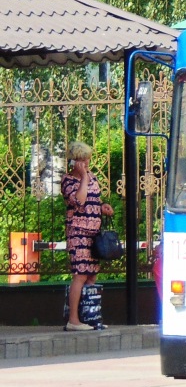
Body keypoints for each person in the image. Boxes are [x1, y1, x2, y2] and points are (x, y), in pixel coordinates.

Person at [60, 142, 114, 332]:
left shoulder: (93, 177)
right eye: (82, 160)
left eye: (87, 159)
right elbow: (79, 200)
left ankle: (89, 316)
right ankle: (73, 320)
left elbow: (93, 200)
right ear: (74, 162)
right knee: (80, 274)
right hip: (78, 233)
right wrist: (83, 177)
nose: (86, 163)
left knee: (91, 275)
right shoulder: (68, 181)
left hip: (94, 234)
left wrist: (102, 207)